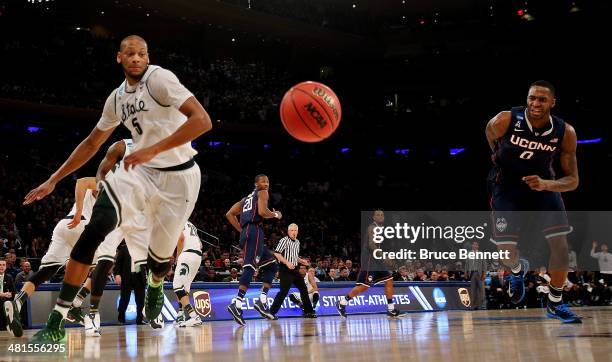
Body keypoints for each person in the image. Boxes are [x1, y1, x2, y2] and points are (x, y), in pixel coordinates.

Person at [23, 34, 211, 342]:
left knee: (159, 262)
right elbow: (92, 142)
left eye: (141, 54)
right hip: (138, 171)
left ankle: (155, 283)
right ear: (119, 58)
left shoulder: (160, 79)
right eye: (130, 53)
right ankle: (56, 321)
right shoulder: (116, 99)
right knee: (96, 226)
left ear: (147, 58)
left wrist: (152, 149)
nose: (136, 58)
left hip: (180, 177)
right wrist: (53, 178)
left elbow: (202, 121)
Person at [486, 80, 580, 323]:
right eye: (532, 98)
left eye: (542, 99)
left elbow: (572, 180)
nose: (535, 103)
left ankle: (556, 302)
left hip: (543, 185)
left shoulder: (565, 132)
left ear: (552, 102)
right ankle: (517, 269)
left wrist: (547, 184)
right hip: (506, 186)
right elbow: (489, 134)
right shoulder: (505, 120)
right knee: (506, 251)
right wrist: (501, 158)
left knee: (560, 245)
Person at [224, 174, 281, 325]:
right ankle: (236, 304)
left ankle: (262, 300)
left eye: (268, 181)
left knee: (272, 265)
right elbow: (262, 212)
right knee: (249, 266)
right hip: (255, 231)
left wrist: (242, 230)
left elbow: (229, 214)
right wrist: (275, 214)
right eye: (263, 181)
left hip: (248, 233)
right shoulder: (262, 192)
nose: (266, 184)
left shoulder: (244, 200)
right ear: (256, 184)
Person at [336, 210, 401, 318]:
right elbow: (371, 245)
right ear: (373, 218)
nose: (380, 216)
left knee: (389, 280)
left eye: (382, 214)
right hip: (370, 259)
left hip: (376, 259)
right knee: (364, 286)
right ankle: (342, 303)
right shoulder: (372, 227)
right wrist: (383, 256)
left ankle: (391, 309)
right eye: (377, 215)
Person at [269, 224, 316, 319]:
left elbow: (295, 256)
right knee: (283, 291)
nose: (293, 232)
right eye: (292, 230)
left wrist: (302, 261)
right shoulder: (284, 240)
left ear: (297, 232)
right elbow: (277, 254)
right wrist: (287, 263)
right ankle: (271, 312)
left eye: (295, 230)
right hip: (285, 269)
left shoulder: (297, 242)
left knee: (303, 289)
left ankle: (308, 312)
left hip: (295, 270)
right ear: (288, 231)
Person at [172, 221, 204, 327]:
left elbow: (181, 238)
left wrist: (178, 256)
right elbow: (201, 245)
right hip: (198, 256)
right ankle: (180, 315)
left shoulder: (178, 220)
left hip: (187, 255)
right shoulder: (191, 224)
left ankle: (194, 316)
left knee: (177, 286)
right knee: (184, 288)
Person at [114, 242, 145, 326]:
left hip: (139, 276)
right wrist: (117, 274)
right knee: (124, 299)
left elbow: (147, 264)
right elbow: (118, 263)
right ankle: (121, 319)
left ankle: (140, 320)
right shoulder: (124, 248)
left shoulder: (143, 248)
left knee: (140, 300)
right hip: (126, 276)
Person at [464, 241, 487, 310]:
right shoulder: (469, 254)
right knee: (473, 291)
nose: (475, 246)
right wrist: (465, 272)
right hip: (472, 273)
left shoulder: (481, 254)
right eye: (473, 244)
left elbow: (484, 265)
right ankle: (474, 306)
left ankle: (483, 306)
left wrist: (484, 274)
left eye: (476, 245)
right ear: (472, 246)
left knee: (482, 290)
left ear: (478, 246)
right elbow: (466, 264)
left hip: (479, 273)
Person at [0, 259, 16, 331]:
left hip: (5, 302)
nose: (1, 267)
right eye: (0, 265)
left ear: (6, 267)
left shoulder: (9, 277)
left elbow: (13, 291)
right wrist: (2, 294)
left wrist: (11, 294)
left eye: (4, 265)